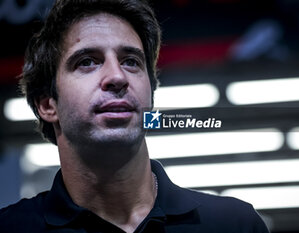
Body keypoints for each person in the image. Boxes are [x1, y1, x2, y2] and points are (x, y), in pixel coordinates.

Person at [0, 0, 270, 232]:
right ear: (48, 105)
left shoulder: (234, 224)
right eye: (87, 61)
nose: (117, 77)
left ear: (150, 97)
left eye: (131, 61)